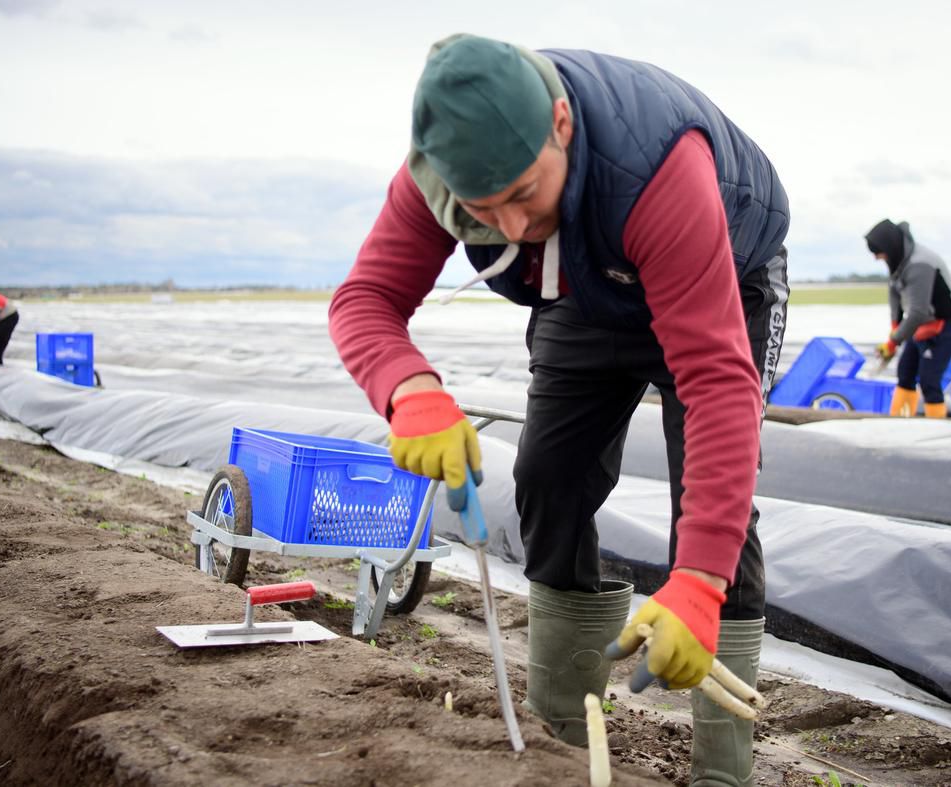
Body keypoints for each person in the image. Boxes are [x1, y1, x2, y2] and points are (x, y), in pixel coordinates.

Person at [330, 34, 789, 784]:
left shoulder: (656, 169)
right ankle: (559, 743)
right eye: (484, 209)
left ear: (562, 125)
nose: (508, 227)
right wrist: (407, 389)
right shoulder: (442, 173)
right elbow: (364, 300)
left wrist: (698, 580)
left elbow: (716, 382)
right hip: (586, 279)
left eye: (521, 195)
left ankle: (723, 769)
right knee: (547, 477)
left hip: (721, 268)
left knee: (714, 511)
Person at [864, 220, 951, 418]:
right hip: (923, 325)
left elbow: (919, 312)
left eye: (879, 253)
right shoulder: (898, 260)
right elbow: (895, 295)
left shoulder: (920, 264)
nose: (877, 258)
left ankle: (934, 432)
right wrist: (894, 330)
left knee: (929, 379)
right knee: (905, 373)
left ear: (889, 247)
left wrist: (893, 340)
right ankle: (899, 423)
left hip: (947, 323)